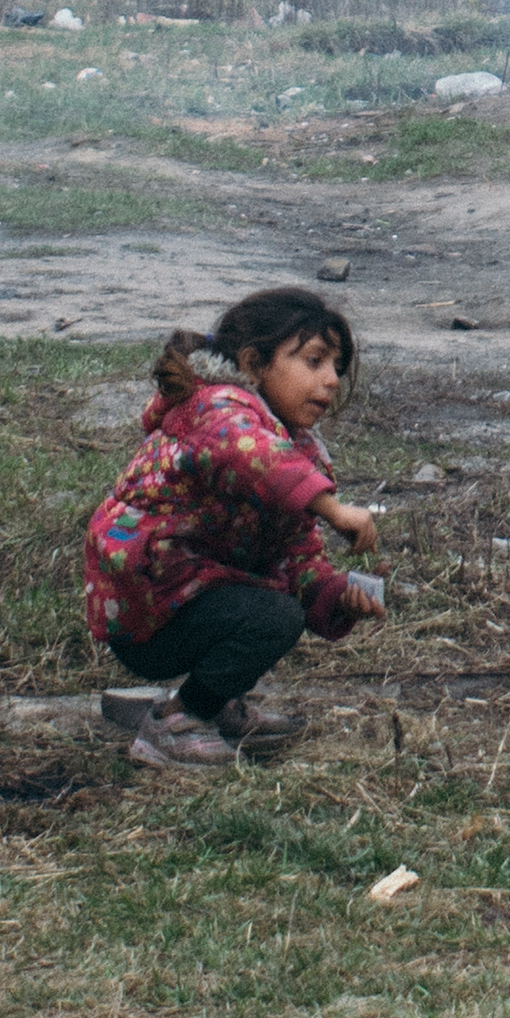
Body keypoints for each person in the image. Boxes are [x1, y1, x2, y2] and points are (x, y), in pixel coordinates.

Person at [84, 285, 382, 771]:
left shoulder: (292, 448)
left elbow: (298, 556)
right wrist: (333, 508)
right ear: (252, 363)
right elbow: (251, 456)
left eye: (336, 367)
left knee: (277, 604)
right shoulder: (216, 409)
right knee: (272, 615)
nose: (330, 380)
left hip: (190, 596)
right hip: (150, 601)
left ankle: (212, 700)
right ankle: (177, 721)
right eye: (313, 361)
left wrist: (335, 595)